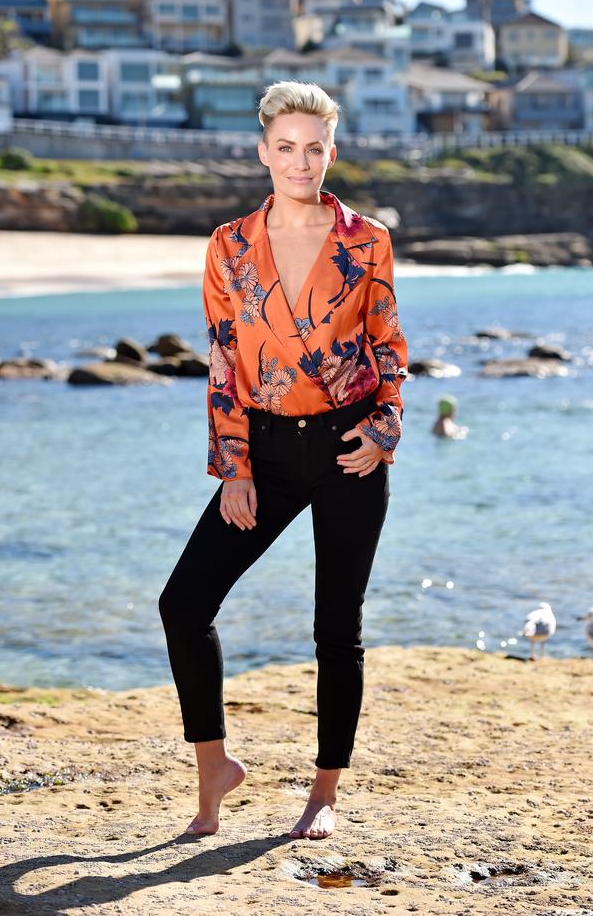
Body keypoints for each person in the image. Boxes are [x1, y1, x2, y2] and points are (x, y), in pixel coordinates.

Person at [158, 80, 408, 840]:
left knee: (337, 626)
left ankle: (324, 792)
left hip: (348, 449)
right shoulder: (229, 243)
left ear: (332, 151)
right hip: (262, 451)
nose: (302, 161)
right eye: (288, 147)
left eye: (317, 148)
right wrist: (232, 464)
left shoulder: (367, 240)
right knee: (184, 605)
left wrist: (385, 430)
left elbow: (390, 347)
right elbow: (224, 358)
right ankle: (214, 766)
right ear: (264, 151)